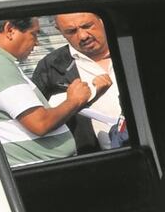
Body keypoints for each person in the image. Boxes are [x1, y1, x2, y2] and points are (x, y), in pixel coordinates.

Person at [0, 18, 110, 167]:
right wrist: (74, 101)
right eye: (33, 34)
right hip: (40, 168)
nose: (37, 43)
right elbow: (40, 123)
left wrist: (85, 99)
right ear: (10, 30)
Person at [32, 12, 124, 151]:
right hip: (92, 156)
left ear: (102, 20)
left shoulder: (130, 50)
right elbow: (38, 119)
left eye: (87, 26)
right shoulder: (51, 67)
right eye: (71, 31)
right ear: (59, 31)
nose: (83, 36)